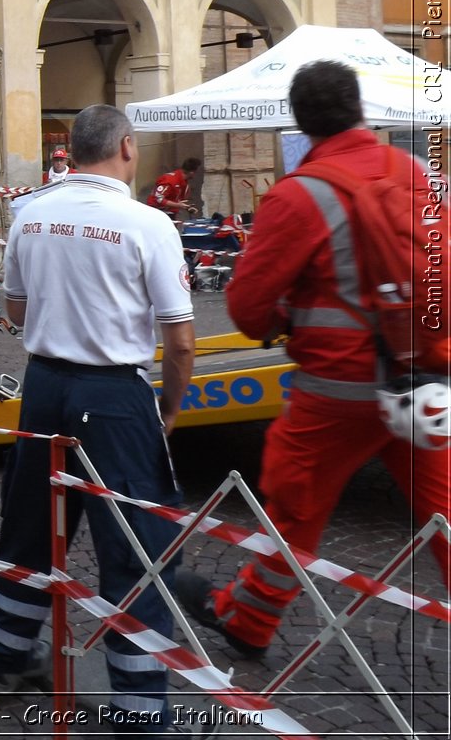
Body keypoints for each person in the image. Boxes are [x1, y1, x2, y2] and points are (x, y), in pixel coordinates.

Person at [176, 61, 450, 658]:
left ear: (300, 122)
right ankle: (249, 617)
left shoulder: (298, 195)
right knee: (445, 513)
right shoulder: (413, 173)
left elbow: (248, 308)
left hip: (338, 389)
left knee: (295, 507)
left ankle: (249, 620)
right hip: (419, 378)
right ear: (361, 110)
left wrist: (292, 311)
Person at [0, 104, 195, 736]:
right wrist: (169, 409)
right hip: (113, 395)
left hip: (44, 384)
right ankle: (139, 714)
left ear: (71, 151)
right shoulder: (147, 223)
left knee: (27, 526)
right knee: (134, 548)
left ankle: (6, 655)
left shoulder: (29, 214)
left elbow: (17, 308)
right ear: (126, 147)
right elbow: (180, 340)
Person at [145, 156, 201, 220]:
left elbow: (179, 201)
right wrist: (178, 205)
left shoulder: (185, 184)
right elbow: (159, 198)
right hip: (157, 213)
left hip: (171, 213)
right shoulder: (170, 180)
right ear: (192, 173)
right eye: (196, 172)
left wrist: (187, 207)